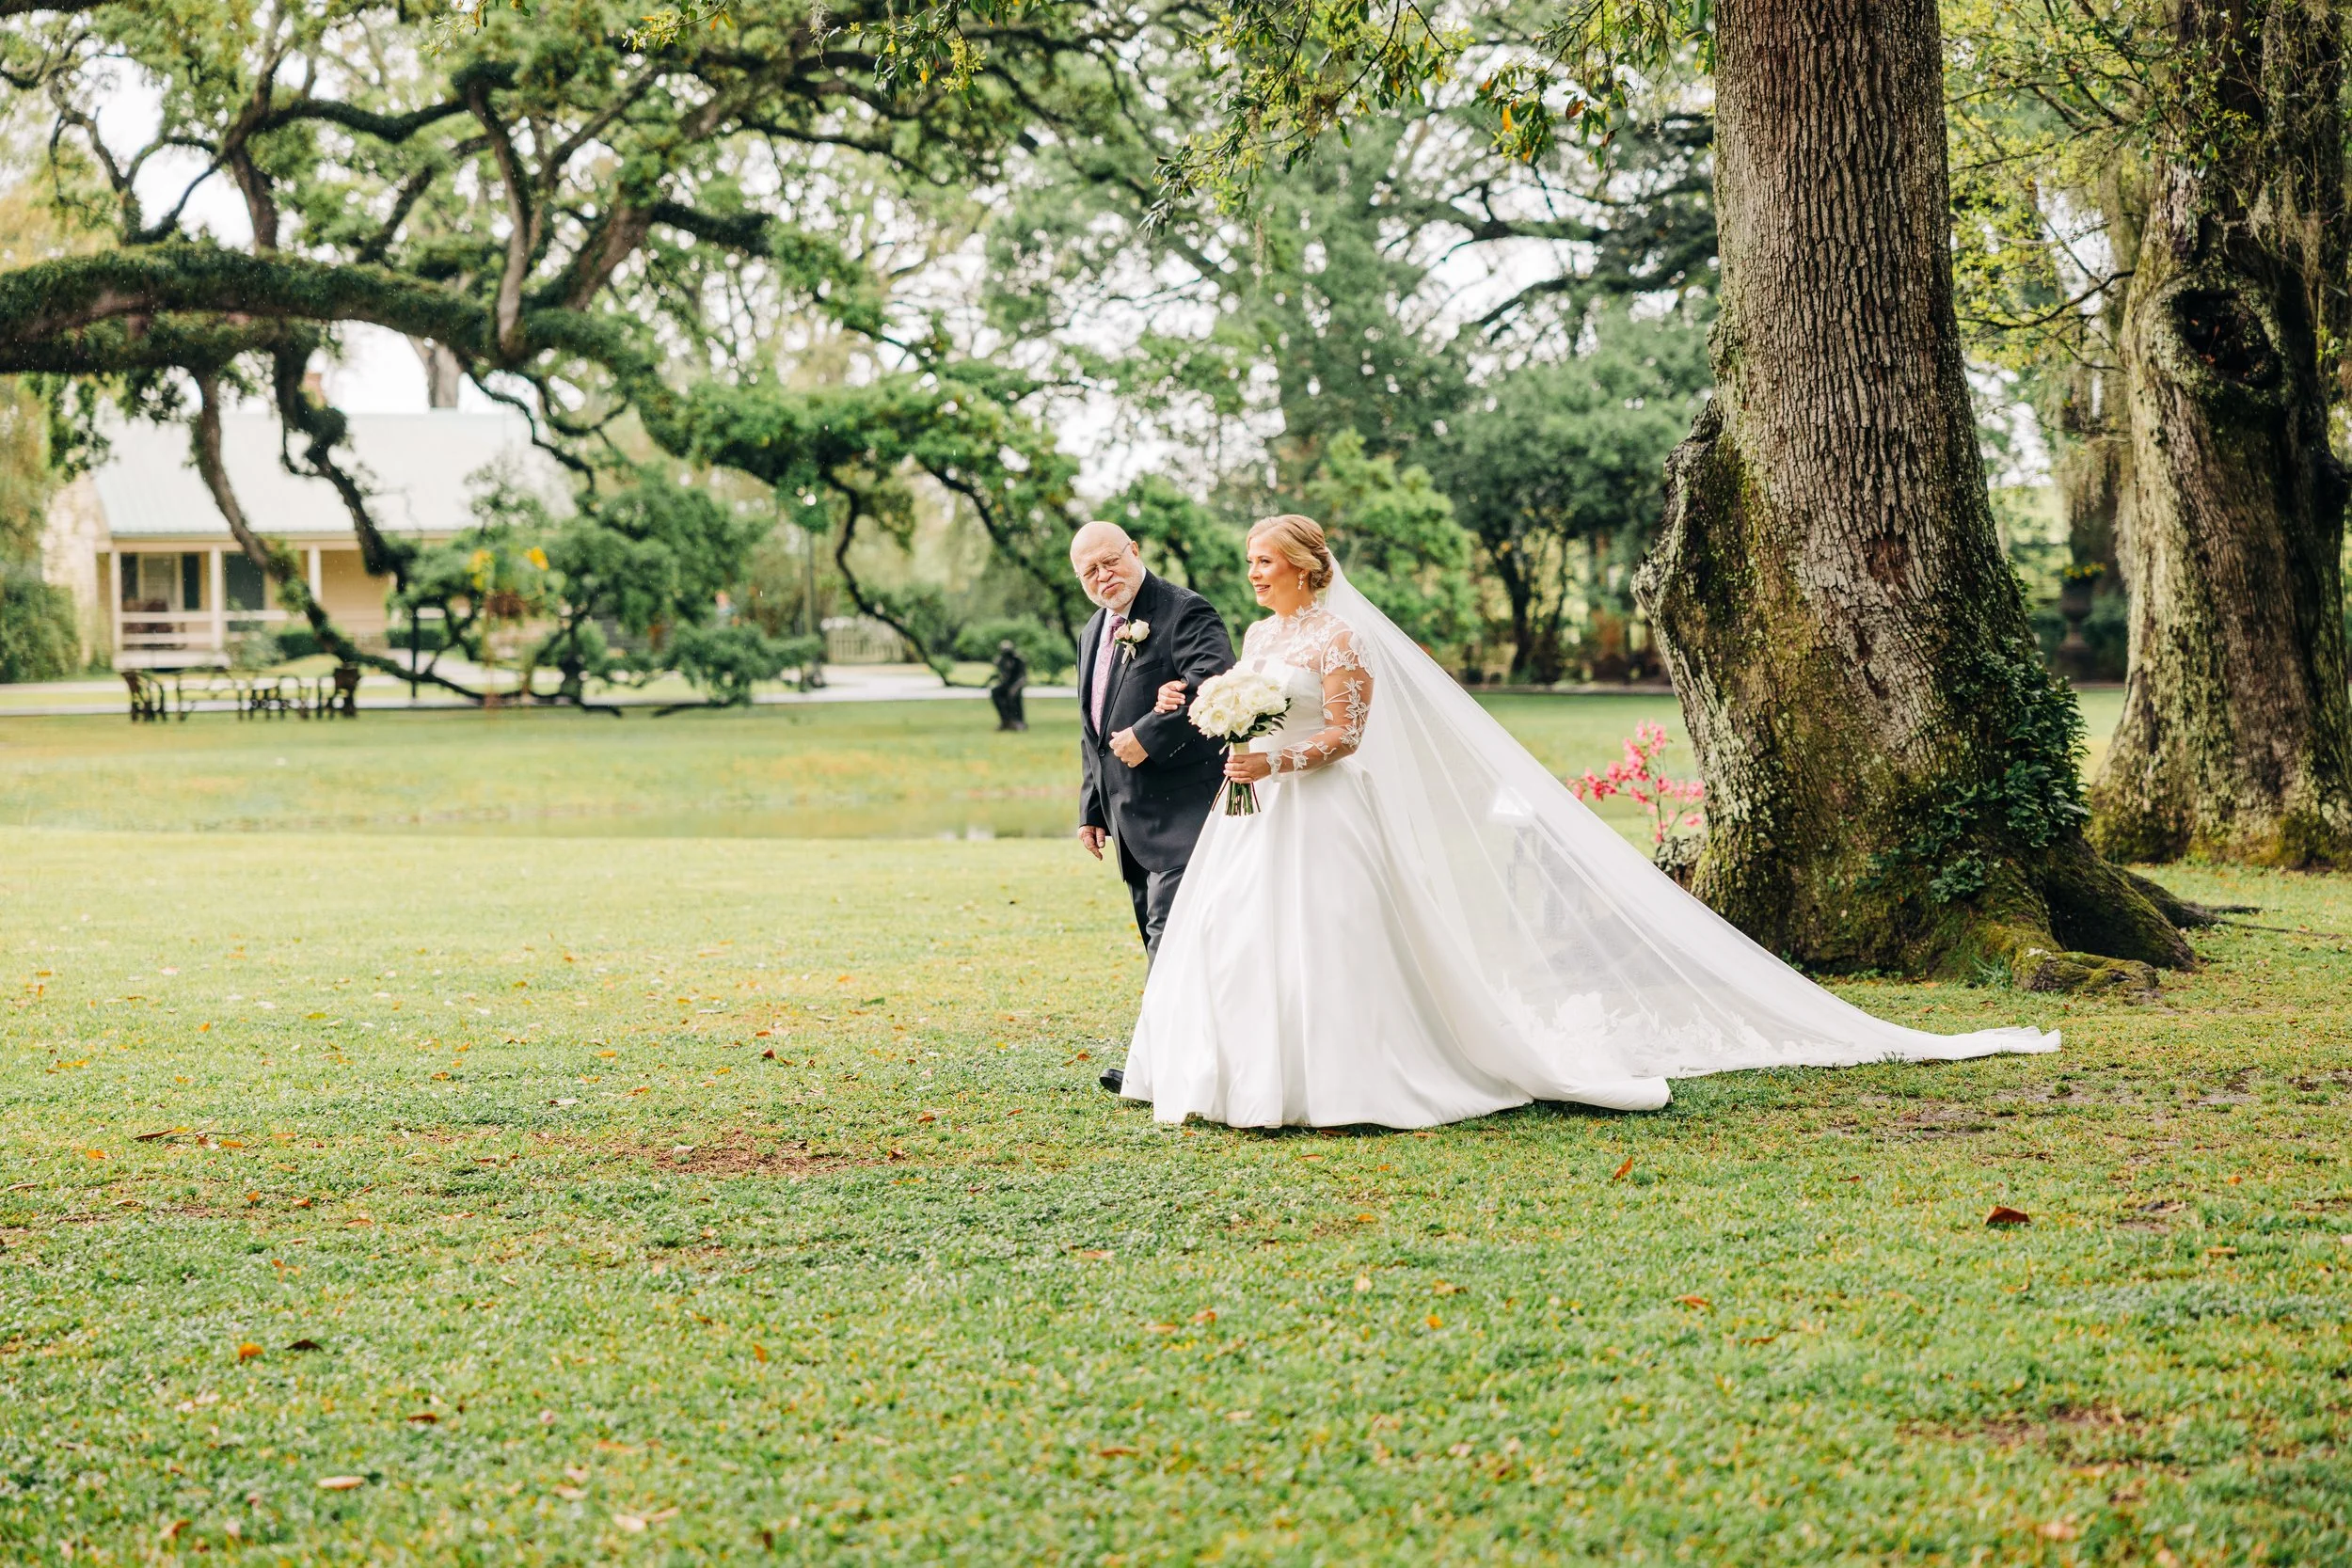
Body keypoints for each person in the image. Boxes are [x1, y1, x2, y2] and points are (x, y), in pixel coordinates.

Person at [1115, 515, 2058, 1128]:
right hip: (1259, 812)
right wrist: (1226, 730)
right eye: (1248, 564)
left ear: (1309, 568)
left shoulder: (1341, 637)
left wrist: (1271, 754)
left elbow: (1350, 735)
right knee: (1243, 935)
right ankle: (1243, 1073)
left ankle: (1350, 1078)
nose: (1253, 575)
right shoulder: (1266, 639)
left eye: (1265, 562)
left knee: (1334, 932)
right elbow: (1254, 703)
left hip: (1321, 804)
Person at [1069, 522, 1236, 1061]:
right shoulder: (1093, 632)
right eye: (1089, 572)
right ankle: (1196, 1062)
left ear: (1134, 551)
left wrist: (1149, 736)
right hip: (1128, 819)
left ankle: (1154, 1067)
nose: (1103, 577)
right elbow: (1092, 731)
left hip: (1185, 811)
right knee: (1159, 936)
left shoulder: (1185, 611)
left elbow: (1219, 693)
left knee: (1171, 939)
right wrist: (1091, 810)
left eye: (1110, 561)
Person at [990, 638, 1028, 732]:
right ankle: (1005, 720)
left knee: (1013, 696)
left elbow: (1023, 677)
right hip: (1007, 684)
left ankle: (1018, 721)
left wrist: (1015, 688)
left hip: (1017, 684)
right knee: (996, 693)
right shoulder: (1001, 661)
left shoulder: (1018, 660)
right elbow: (1002, 675)